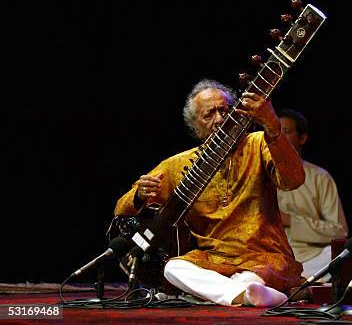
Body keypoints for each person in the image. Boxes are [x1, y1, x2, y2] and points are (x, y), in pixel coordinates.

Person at [114, 79, 305, 307]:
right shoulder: (178, 165)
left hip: (265, 255)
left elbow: (294, 180)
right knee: (174, 268)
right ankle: (251, 294)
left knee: (252, 276)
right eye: (209, 115)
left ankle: (245, 290)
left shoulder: (258, 144)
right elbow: (121, 209)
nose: (219, 119)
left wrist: (273, 127)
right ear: (196, 126)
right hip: (214, 260)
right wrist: (140, 195)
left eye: (224, 111)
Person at [275, 109, 349, 280]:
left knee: (342, 255)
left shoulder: (320, 177)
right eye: (275, 132)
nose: (279, 138)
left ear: (302, 138)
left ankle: (295, 284)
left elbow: (339, 231)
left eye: (286, 132)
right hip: (271, 258)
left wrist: (291, 221)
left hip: (311, 259)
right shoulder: (258, 174)